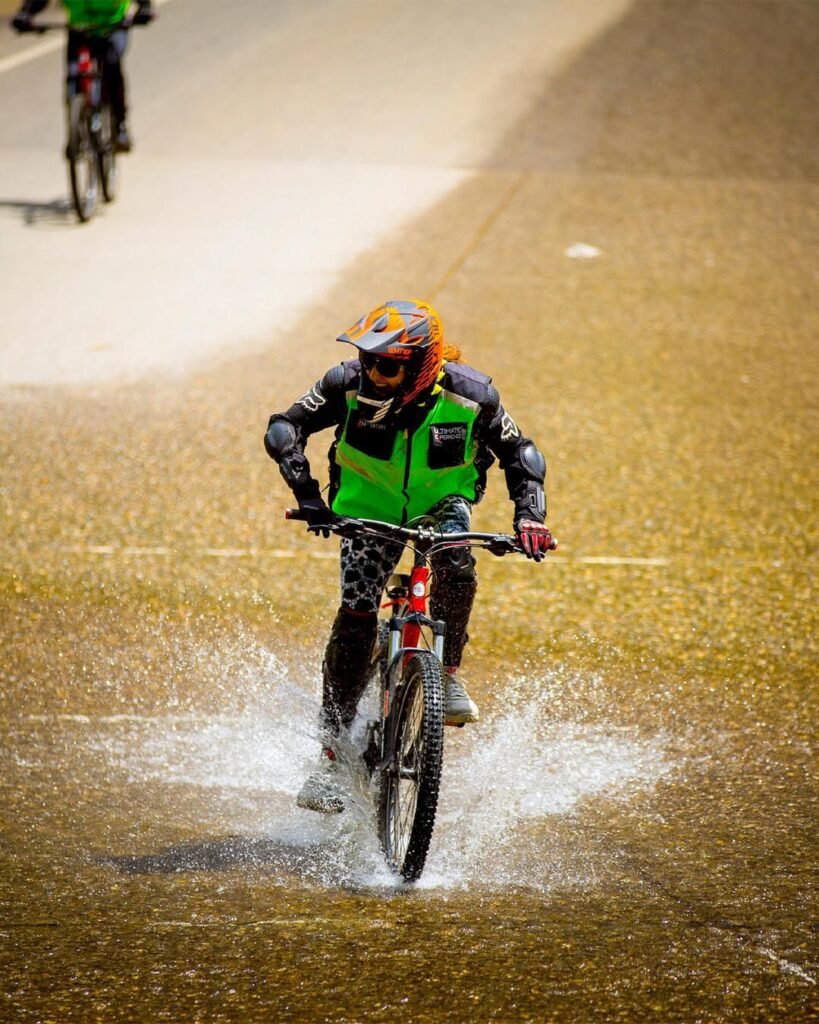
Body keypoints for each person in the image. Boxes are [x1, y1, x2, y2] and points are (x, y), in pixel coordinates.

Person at [265, 299, 553, 812]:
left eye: (389, 364)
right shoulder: (346, 383)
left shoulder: (473, 396)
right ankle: (330, 758)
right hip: (364, 509)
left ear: (422, 363)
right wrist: (308, 495)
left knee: (457, 564)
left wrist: (529, 516)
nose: (374, 372)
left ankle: (445, 674)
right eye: (369, 360)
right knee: (356, 619)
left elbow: (521, 454)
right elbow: (285, 428)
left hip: (442, 505)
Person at [12, 0, 154, 153]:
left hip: (112, 27)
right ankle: (74, 130)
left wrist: (144, 8)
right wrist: (25, 13)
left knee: (112, 65)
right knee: (73, 76)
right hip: (79, 30)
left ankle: (120, 127)